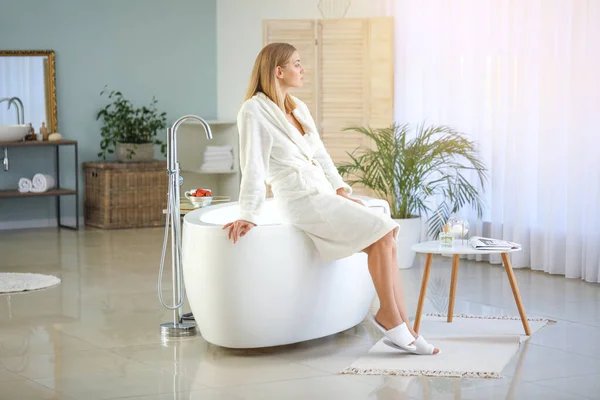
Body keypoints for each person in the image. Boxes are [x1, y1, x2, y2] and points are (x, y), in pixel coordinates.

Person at [222, 42, 439, 355]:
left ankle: (402, 323)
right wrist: (249, 213)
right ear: (278, 71)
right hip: (298, 197)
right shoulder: (253, 111)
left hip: (321, 193)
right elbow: (252, 165)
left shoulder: (298, 108)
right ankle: (391, 319)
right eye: (297, 64)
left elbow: (320, 154)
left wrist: (340, 190)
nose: (302, 69)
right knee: (382, 231)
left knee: (387, 233)